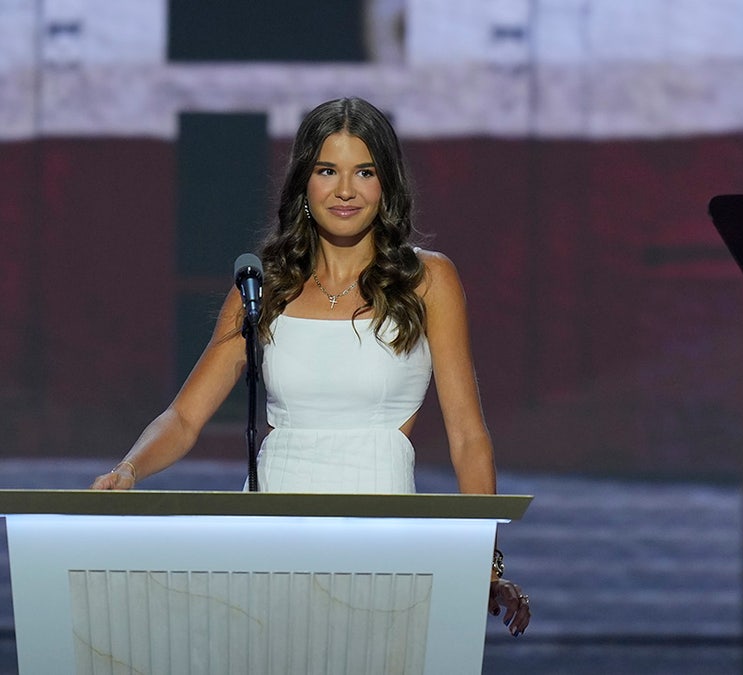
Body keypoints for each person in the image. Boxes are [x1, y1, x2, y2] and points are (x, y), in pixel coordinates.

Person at [92, 96, 531, 637]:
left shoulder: (428, 281)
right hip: (268, 536)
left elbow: (467, 435)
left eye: (364, 172)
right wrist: (130, 469)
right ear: (304, 183)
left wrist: (485, 562)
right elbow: (184, 418)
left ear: (386, 185)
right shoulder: (263, 287)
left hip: (383, 534)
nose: (345, 190)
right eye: (328, 170)